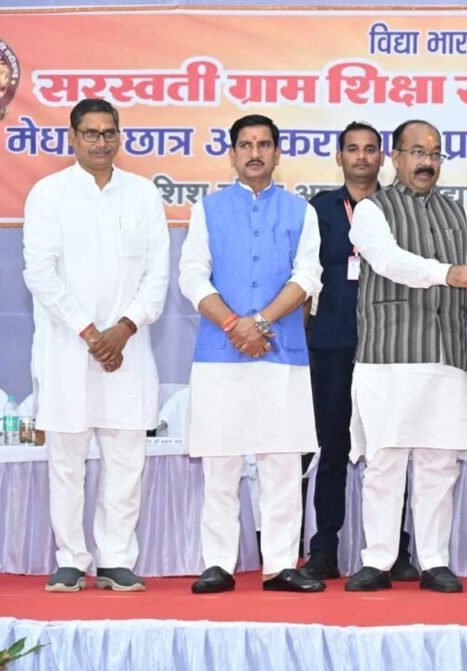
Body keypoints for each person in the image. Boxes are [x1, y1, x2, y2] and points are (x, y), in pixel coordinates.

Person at [344, 119, 467, 594]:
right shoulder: (372, 209)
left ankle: (434, 560)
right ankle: (378, 560)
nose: (427, 162)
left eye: (434, 154)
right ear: (395, 157)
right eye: (417, 152)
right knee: (385, 462)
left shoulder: (458, 213)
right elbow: (389, 261)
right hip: (388, 356)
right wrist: (447, 273)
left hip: (445, 354)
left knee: (439, 463)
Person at [23, 97, 169, 593]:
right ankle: (70, 558)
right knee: (66, 459)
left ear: (119, 137)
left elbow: (157, 274)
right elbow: (40, 273)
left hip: (127, 348)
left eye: (109, 133)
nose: (101, 142)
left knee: (126, 457)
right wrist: (90, 332)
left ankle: (115, 559)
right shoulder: (49, 194)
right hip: (68, 348)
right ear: (73, 137)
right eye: (91, 133)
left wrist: (123, 328)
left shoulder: (142, 194)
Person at [179, 114, 324, 594]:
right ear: (233, 154)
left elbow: (308, 277)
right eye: (246, 145)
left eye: (264, 145)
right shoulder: (208, 209)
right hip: (221, 355)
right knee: (221, 463)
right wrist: (233, 325)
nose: (255, 153)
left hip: (281, 353)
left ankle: (280, 564)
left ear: (278, 153)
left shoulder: (301, 211)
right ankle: (218, 563)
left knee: (281, 463)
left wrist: (259, 323)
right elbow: (192, 276)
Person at [299, 122, 418, 582]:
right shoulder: (319, 209)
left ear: (383, 157)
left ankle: (397, 550)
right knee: (332, 447)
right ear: (340, 156)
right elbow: (303, 274)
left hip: (388, 344)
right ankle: (324, 548)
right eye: (353, 149)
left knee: (390, 449)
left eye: (371, 149)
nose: (362, 157)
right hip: (331, 341)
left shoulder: (398, 206)